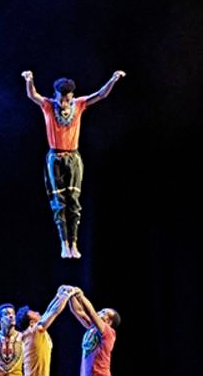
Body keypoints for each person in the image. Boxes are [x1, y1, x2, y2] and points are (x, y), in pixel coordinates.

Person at [23, 69, 126, 258]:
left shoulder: (78, 104)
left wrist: (113, 79)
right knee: (59, 202)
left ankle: (74, 243)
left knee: (74, 201)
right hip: (55, 158)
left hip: (73, 157)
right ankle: (64, 243)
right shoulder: (48, 105)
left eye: (67, 98)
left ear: (72, 96)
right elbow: (32, 95)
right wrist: (29, 80)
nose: (64, 102)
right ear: (56, 95)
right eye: (61, 98)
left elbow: (101, 95)